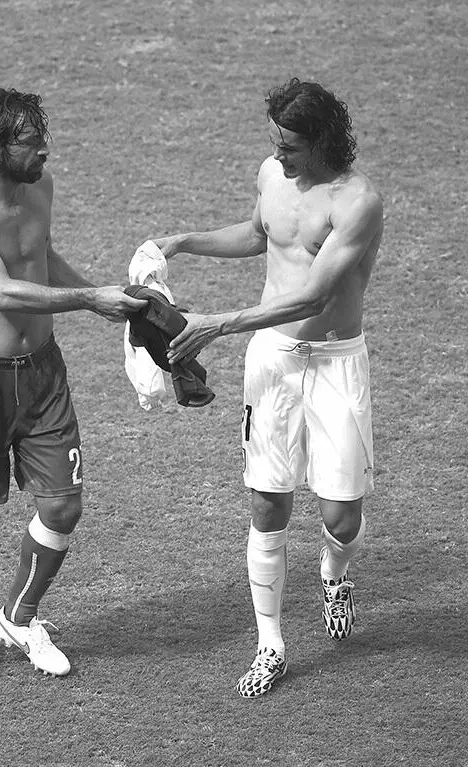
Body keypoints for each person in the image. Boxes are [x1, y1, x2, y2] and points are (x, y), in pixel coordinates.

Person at [153, 78, 383, 697]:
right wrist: (184, 242)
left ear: (324, 141)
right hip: (274, 361)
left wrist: (218, 323)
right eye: (276, 143)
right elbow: (261, 234)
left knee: (341, 515)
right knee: (267, 503)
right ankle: (270, 643)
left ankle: (334, 573)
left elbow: (313, 295)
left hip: (335, 361)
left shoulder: (358, 201)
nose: (279, 156)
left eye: (291, 147)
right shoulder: (271, 174)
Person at [0, 87, 147, 680]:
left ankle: (18, 619)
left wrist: (111, 300)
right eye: (30, 143)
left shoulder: (40, 187)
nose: (44, 152)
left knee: (62, 504)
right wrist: (89, 299)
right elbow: (1, 290)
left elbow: (39, 257)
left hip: (42, 373)